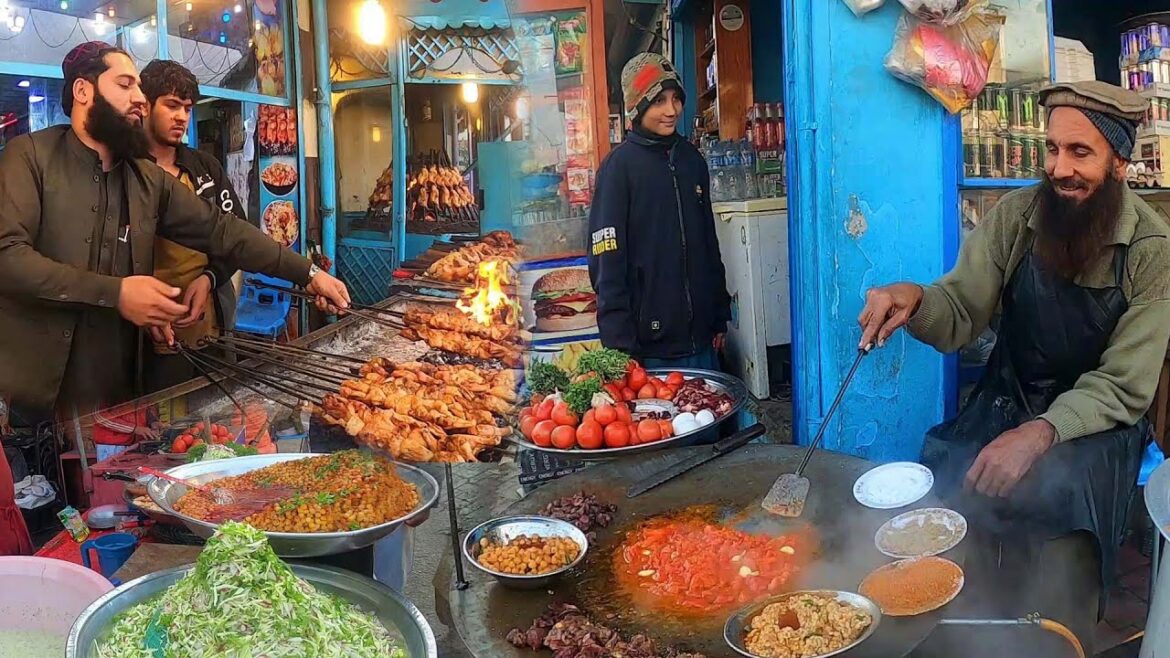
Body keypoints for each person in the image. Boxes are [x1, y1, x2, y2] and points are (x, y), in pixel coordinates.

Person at [859, 81, 1170, 656]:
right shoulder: (1017, 217)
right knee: (951, 480)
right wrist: (916, 300)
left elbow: (1124, 384)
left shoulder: (1152, 249)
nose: (1060, 169)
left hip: (1098, 427)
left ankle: (1059, 635)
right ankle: (967, 626)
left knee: (1064, 507)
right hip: (1008, 398)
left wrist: (1040, 433)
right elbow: (960, 308)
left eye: (1080, 152)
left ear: (1120, 162)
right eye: (1052, 149)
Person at [0, 42, 350, 419]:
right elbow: (9, 257)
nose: (139, 98)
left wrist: (308, 274)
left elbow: (222, 230)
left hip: (119, 390)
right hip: (37, 389)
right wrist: (117, 293)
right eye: (125, 85)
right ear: (83, 91)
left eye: (139, 88)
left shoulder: (145, 178)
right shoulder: (30, 156)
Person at [587, 52, 730, 370]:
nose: (671, 110)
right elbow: (606, 262)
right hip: (647, 351)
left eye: (676, 99)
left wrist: (720, 313)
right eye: (658, 101)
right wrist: (619, 345)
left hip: (703, 341)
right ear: (637, 107)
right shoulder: (618, 169)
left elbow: (709, 243)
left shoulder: (692, 161)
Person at [138, 59, 247, 392]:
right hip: (148, 333)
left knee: (217, 408)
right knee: (161, 414)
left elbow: (237, 234)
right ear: (145, 106)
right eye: (171, 105)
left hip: (210, 323)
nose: (182, 117)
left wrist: (209, 277)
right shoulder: (126, 171)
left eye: (187, 108)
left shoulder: (204, 168)